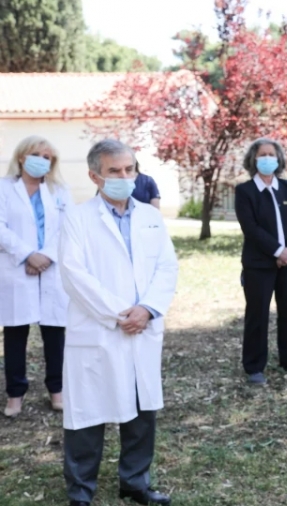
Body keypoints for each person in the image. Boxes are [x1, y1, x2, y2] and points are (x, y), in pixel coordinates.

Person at [58, 139, 179, 506]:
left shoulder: (150, 216)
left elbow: (166, 267)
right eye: (114, 171)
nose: (124, 177)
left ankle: (135, 482)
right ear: (95, 176)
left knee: (142, 411)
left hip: (142, 328)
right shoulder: (77, 217)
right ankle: (81, 491)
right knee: (87, 415)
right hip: (98, 330)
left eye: (129, 169)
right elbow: (73, 273)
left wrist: (147, 309)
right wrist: (119, 314)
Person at [0, 136, 71, 418]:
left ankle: (57, 390)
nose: (42, 160)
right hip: (17, 267)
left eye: (48, 156)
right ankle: (15, 395)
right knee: (15, 334)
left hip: (51, 269)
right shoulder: (4, 188)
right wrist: (28, 254)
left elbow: (67, 228)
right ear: (21, 157)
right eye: (36, 154)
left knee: (55, 334)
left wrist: (46, 257)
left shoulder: (59, 191)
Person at [234, 138, 287, 385]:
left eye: (272, 154)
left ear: (278, 159)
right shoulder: (245, 191)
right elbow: (251, 228)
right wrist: (277, 251)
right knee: (257, 314)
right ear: (253, 160)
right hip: (259, 263)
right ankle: (254, 367)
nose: (268, 158)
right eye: (262, 154)